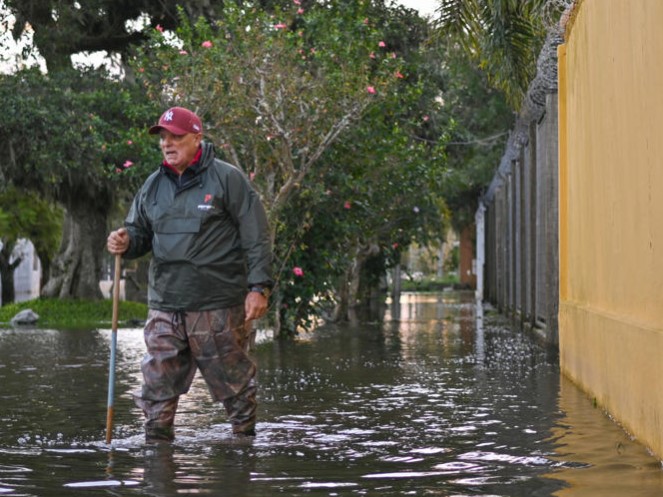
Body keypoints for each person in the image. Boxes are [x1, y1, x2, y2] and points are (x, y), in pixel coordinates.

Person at [107, 106, 273, 442]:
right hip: (165, 303)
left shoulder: (227, 179)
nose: (168, 143)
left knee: (235, 387)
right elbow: (138, 233)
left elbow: (255, 235)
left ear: (197, 137)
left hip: (216, 304)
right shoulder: (152, 186)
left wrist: (259, 287)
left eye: (176, 137)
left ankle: (244, 450)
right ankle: (156, 455)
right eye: (163, 138)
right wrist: (124, 240)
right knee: (157, 387)